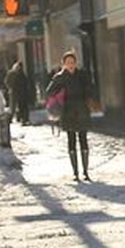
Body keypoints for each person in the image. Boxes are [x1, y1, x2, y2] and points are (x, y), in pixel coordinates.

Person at [45, 51, 95, 182]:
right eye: (68, 63)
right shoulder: (60, 76)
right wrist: (60, 81)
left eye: (72, 62)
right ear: (64, 64)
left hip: (82, 109)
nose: (70, 65)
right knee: (71, 140)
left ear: (75, 63)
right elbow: (49, 91)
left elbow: (90, 89)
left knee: (83, 138)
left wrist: (89, 99)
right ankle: (75, 172)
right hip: (67, 111)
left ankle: (85, 171)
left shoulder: (82, 75)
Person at [4, 60, 31, 125]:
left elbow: (25, 83)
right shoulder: (12, 73)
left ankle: (22, 119)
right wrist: (10, 87)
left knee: (20, 106)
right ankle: (13, 119)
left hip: (20, 93)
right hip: (15, 92)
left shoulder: (21, 74)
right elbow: (7, 82)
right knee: (14, 106)